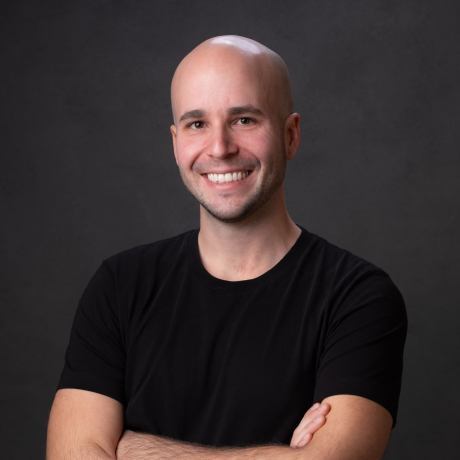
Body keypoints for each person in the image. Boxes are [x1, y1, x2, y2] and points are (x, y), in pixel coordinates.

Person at [46, 36, 407, 459]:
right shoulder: (120, 286)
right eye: (197, 124)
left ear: (290, 136)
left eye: (244, 120)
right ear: (175, 143)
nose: (220, 148)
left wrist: (128, 448)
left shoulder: (357, 296)